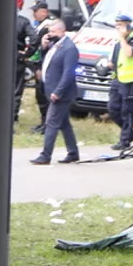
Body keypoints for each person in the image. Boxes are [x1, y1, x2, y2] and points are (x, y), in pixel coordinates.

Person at [31, 18, 80, 165]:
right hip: (51, 89)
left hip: (61, 93)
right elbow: (47, 61)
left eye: (52, 31)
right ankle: (73, 152)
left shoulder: (69, 48)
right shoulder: (55, 45)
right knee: (64, 124)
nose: (50, 34)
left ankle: (45, 155)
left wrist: (58, 91)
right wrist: (44, 46)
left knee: (51, 122)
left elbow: (68, 73)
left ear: (61, 31)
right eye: (49, 32)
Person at [107, 13, 133, 151]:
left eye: (120, 25)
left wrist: (123, 38)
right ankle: (131, 133)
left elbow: (129, 53)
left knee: (126, 111)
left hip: (130, 80)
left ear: (128, 26)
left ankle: (124, 141)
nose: (117, 28)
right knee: (112, 109)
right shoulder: (118, 42)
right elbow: (115, 59)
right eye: (116, 25)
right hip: (117, 79)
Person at [25, 1, 56, 132]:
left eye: (36, 11)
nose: (33, 14)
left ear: (44, 12)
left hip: (44, 65)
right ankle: (44, 122)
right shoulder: (40, 25)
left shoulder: (48, 27)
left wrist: (40, 67)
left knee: (43, 95)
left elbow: (45, 49)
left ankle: (47, 124)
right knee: (40, 95)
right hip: (39, 64)